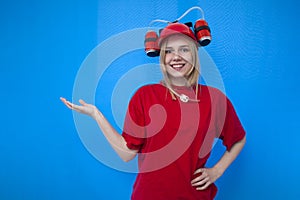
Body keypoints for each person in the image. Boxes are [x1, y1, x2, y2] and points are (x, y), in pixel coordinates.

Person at [60, 22, 246, 200]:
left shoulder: (215, 100)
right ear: (162, 57)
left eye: (184, 49)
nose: (176, 57)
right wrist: (96, 115)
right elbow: (127, 154)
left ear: (195, 54)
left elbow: (238, 139)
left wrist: (217, 171)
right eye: (169, 51)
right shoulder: (144, 96)